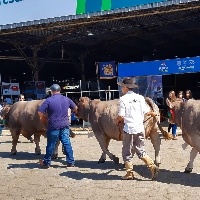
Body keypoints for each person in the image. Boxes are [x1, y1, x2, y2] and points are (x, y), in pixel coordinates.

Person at [116, 78, 159, 180]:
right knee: (140, 150)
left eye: (122, 86)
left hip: (129, 129)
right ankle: (152, 166)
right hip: (139, 128)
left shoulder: (123, 99)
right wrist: (153, 113)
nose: (122, 88)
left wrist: (117, 120)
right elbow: (146, 111)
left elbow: (121, 116)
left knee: (127, 151)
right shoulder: (140, 98)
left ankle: (129, 173)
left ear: (126, 87)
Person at [38, 84, 77, 168]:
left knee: (51, 144)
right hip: (65, 125)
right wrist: (68, 116)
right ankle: (70, 161)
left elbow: (40, 113)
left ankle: (47, 162)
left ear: (51, 91)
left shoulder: (48, 100)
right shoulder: (67, 99)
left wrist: (44, 118)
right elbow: (75, 108)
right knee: (67, 143)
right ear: (60, 90)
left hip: (53, 125)